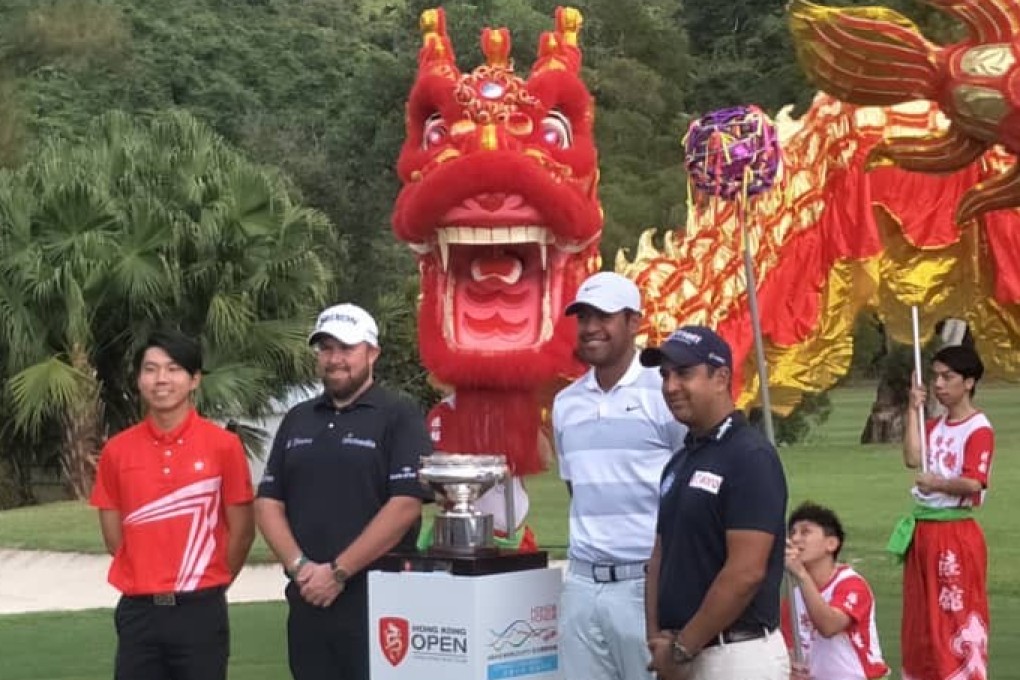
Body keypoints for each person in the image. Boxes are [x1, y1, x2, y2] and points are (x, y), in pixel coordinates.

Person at [254, 303, 433, 680]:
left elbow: (404, 506)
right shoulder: (297, 418)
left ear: (372, 353)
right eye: (326, 348)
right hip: (308, 596)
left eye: (346, 348)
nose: (334, 359)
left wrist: (337, 573)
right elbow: (269, 502)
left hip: (379, 599)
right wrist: (302, 569)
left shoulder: (399, 415)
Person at [90, 329, 256, 680]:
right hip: (139, 612)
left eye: (174, 368)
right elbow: (114, 538)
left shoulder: (223, 446)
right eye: (150, 369)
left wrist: (208, 584)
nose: (161, 379)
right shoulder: (117, 451)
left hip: (200, 611)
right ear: (138, 379)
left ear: (194, 379)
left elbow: (242, 532)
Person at [552, 272, 687, 680]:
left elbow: (688, 487)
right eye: (584, 317)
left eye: (604, 316)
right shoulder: (566, 403)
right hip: (581, 583)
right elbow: (577, 487)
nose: (591, 327)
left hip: (645, 585)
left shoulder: (664, 391)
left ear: (634, 323)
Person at [642, 325, 789, 680]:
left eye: (684, 373)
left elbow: (746, 572)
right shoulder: (680, 461)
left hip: (736, 656)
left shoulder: (749, 456)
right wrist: (657, 643)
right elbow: (661, 555)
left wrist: (681, 648)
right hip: (683, 654)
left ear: (721, 377)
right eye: (665, 375)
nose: (670, 386)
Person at [891, 344, 993, 680]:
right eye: (935, 377)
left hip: (954, 531)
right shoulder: (932, 425)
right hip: (924, 531)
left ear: (969, 382)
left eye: (947, 377)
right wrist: (911, 409)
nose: (938, 384)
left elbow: (975, 482)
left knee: (954, 607)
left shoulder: (978, 429)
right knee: (922, 611)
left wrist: (938, 485)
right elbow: (912, 458)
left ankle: (960, 671)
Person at [782, 502, 888, 680]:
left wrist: (800, 573)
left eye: (805, 532)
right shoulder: (792, 598)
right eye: (792, 533)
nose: (795, 539)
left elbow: (829, 626)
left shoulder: (851, 584)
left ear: (831, 544)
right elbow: (791, 650)